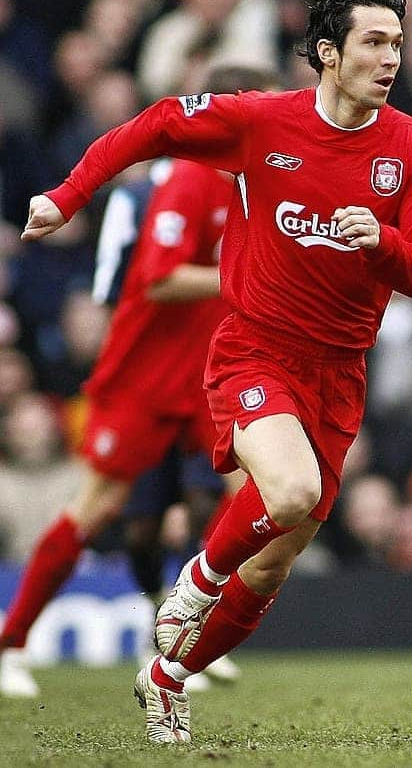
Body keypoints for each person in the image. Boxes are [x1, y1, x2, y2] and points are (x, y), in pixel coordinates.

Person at [20, 0, 412, 743]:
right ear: (328, 52)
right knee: (287, 491)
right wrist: (68, 195)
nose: (391, 58)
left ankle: (167, 676)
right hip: (257, 349)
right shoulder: (263, 122)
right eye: (374, 42)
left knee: (273, 569)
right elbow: (156, 123)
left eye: (397, 42)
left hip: (340, 373)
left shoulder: (410, 148)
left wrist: (382, 241)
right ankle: (196, 580)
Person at [0, 64, 281, 699]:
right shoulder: (186, 181)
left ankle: (185, 635)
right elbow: (159, 277)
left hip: (211, 373)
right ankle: (11, 644)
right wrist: (246, 279)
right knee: (96, 509)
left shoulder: (253, 183)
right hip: (144, 376)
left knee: (265, 491)